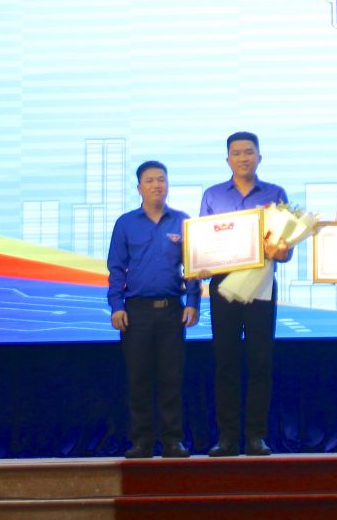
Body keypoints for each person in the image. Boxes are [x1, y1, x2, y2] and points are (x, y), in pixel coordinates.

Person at [198, 132, 292, 457]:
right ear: (228, 159)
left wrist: (279, 250)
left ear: (259, 157)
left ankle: (256, 436)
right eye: (236, 153)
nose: (243, 158)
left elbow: (285, 249)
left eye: (249, 152)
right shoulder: (212, 195)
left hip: (261, 285)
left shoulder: (275, 194)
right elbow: (204, 244)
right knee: (225, 361)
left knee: (260, 361)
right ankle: (226, 438)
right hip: (222, 286)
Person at [107, 161, 201, 459]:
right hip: (136, 312)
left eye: (161, 179)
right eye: (150, 180)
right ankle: (141, 441)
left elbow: (193, 267)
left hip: (172, 310)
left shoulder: (183, 221)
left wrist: (193, 302)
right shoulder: (126, 223)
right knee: (139, 379)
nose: (157, 185)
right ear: (139, 188)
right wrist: (116, 306)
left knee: (171, 379)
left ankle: (173, 441)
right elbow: (116, 269)